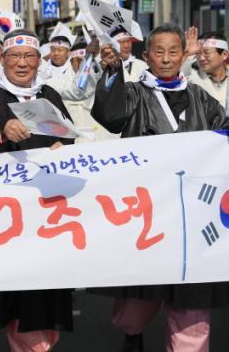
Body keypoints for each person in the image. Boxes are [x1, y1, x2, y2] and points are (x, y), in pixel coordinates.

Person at [91, 24, 229, 351]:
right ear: (147, 56)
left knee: (192, 305)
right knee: (136, 301)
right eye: (159, 52)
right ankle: (133, 333)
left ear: (183, 55)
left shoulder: (200, 97)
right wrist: (111, 71)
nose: (166, 59)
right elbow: (111, 116)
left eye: (173, 52)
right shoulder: (134, 93)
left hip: (193, 217)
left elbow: (222, 136)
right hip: (147, 214)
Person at [0, 29, 74, 352]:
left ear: (39, 60)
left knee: (39, 287)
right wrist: (0, 130)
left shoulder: (48, 94)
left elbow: (68, 135)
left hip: (42, 208)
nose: (22, 64)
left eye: (29, 56)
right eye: (15, 56)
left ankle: (34, 343)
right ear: (3, 59)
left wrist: (64, 147)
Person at [182, 31, 228, 106]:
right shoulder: (190, 78)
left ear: (224, 55)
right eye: (198, 53)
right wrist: (187, 54)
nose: (201, 58)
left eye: (207, 53)